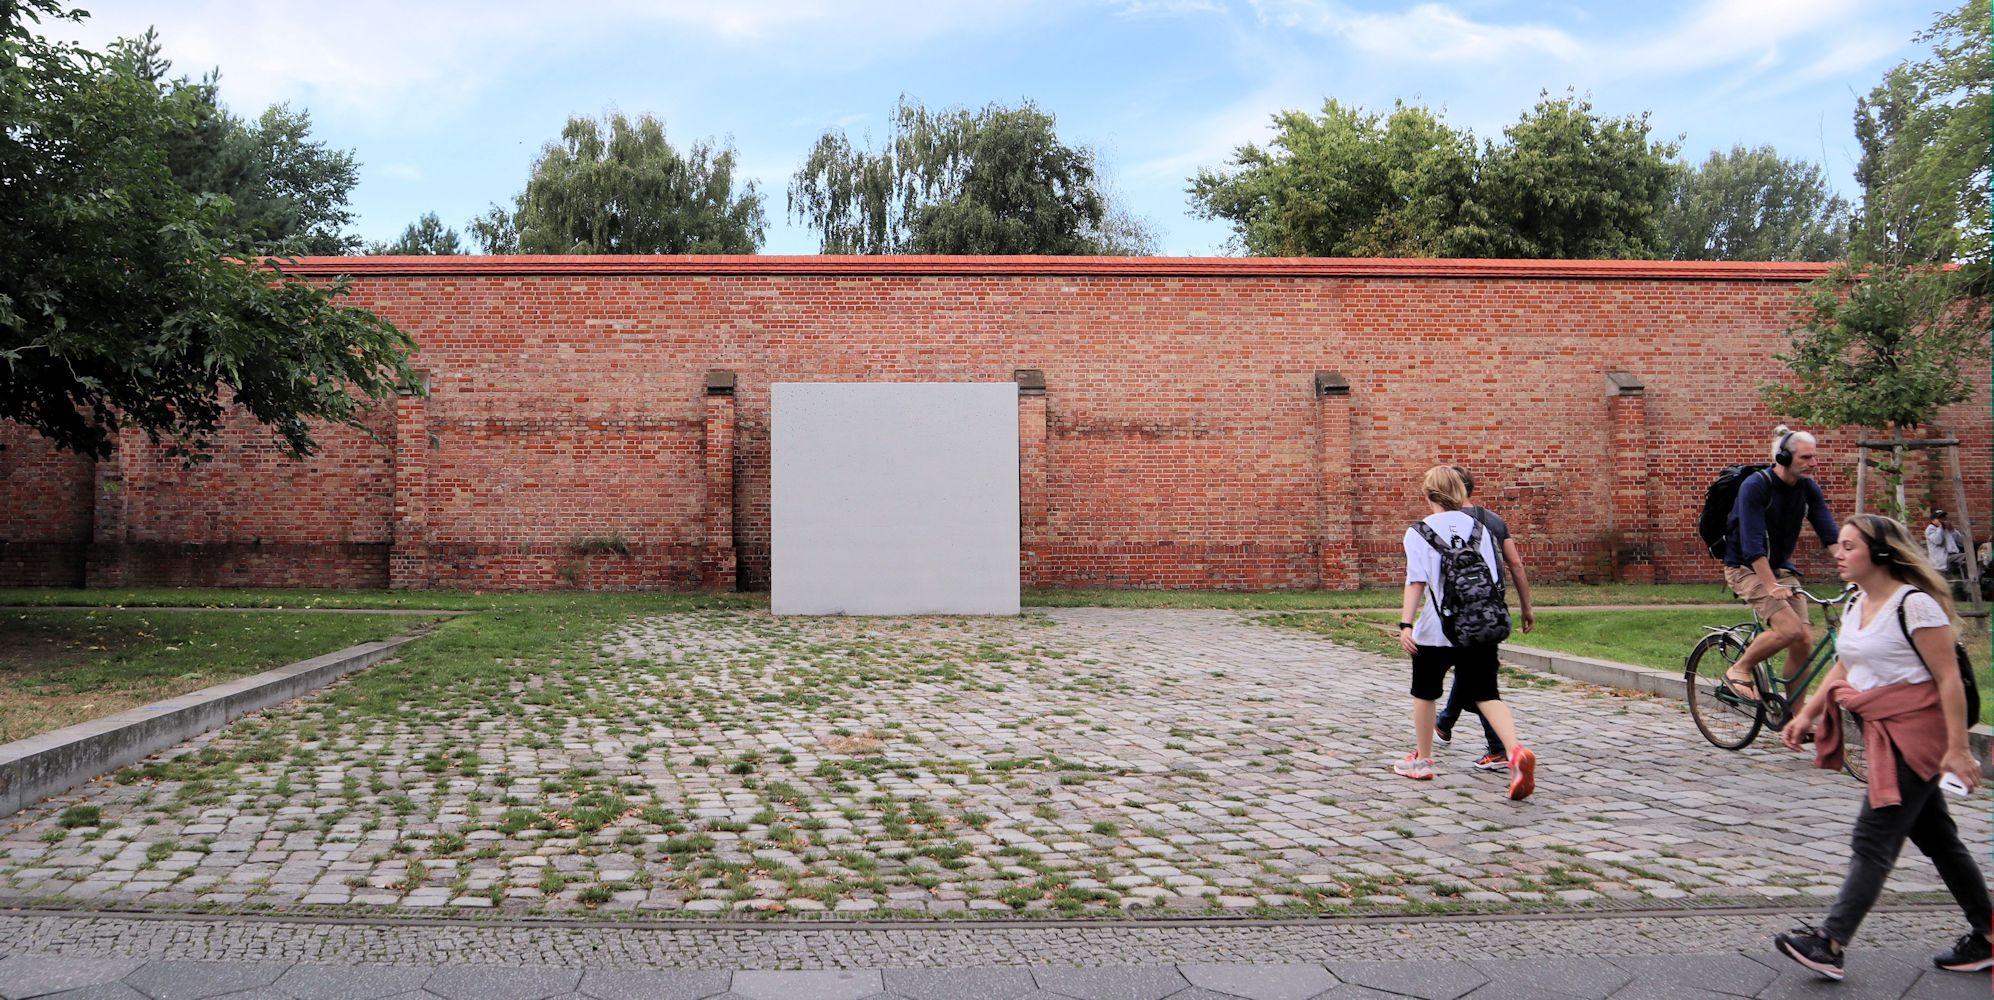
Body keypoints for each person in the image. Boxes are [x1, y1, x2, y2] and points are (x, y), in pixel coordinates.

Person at [1772, 514, 1990, 980]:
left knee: (1873, 839)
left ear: (1881, 553)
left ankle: (1829, 943)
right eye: (1840, 546)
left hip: (1916, 735)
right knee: (1939, 839)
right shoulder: (1859, 603)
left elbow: (1949, 680)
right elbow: (1845, 664)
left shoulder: (1916, 606)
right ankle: (1990, 932)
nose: (1838, 553)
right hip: (1884, 729)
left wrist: (1956, 749)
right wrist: (1808, 712)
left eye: (1849, 546)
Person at [1394, 465, 1537, 800]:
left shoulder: (1418, 531)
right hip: (1477, 626)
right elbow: (1492, 576)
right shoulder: (1480, 528)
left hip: (1436, 629)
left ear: (1428, 494)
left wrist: (1405, 623)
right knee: (1487, 693)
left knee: (1425, 692)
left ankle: (1423, 759)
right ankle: (1515, 752)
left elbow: (1416, 581)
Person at [1720, 425, 1839, 718]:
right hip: (1744, 567)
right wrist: (1771, 585)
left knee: (1803, 640)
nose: (1814, 463)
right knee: (1788, 628)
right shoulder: (1756, 486)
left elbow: (1828, 531)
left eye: (1814, 457)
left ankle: (1796, 718)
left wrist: (1854, 567)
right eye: (1806, 457)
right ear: (1784, 458)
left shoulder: (1807, 487)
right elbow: (1752, 545)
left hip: (1780, 567)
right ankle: (1740, 668)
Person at [1434, 466, 1536, 774]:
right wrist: (1526, 607)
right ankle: (1445, 722)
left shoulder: (1445, 524)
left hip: (1462, 613)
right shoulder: (1494, 520)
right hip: (1492, 608)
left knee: (1479, 679)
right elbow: (1515, 565)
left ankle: (1498, 748)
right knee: (1471, 669)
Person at [1925, 509, 1964, 578]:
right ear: (1933, 520)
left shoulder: (1946, 528)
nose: (1943, 519)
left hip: (1952, 556)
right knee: (1968, 556)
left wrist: (1952, 530)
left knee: (1971, 555)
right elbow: (1938, 541)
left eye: (1944, 517)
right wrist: (1940, 527)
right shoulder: (1930, 529)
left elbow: (1961, 542)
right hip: (1941, 559)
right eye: (1939, 518)